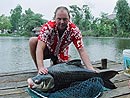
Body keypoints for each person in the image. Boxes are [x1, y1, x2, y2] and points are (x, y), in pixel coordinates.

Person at [29, 6, 97, 74]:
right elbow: (40, 48)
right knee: (32, 41)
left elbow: (82, 50)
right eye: (59, 19)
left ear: (69, 19)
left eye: (65, 19)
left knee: (63, 71)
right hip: (48, 51)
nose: (62, 22)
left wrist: (90, 68)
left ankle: (58, 62)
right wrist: (41, 67)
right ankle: (39, 69)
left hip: (61, 53)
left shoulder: (74, 30)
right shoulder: (48, 27)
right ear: (55, 18)